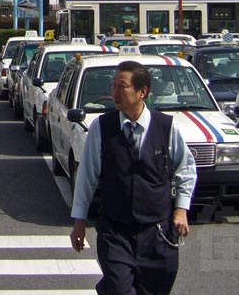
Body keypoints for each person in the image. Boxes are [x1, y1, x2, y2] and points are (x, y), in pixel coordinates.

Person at [69, 60, 196, 295]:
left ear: (142, 92)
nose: (115, 92)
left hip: (157, 232)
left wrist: (181, 209)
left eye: (122, 86)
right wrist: (79, 222)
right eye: (113, 85)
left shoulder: (166, 127)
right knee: (119, 288)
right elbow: (87, 176)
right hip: (116, 230)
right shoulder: (101, 127)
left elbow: (186, 168)